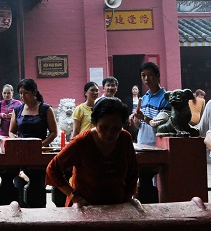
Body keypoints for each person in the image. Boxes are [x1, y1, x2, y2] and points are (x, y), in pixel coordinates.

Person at [46, 98, 138, 206]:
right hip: (84, 206)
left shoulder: (125, 138)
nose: (109, 133)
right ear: (95, 123)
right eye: (103, 127)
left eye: (116, 128)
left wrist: (127, 197)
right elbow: (52, 169)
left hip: (117, 205)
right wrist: (74, 196)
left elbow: (133, 172)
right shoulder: (82, 142)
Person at [130, 62, 171, 203]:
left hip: (157, 144)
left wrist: (144, 118)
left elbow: (163, 124)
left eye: (150, 75)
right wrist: (136, 119)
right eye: (143, 76)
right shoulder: (145, 97)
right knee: (144, 180)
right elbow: (140, 125)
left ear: (158, 76)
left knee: (156, 183)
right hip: (143, 142)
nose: (146, 79)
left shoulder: (166, 98)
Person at [8, 78, 57, 146]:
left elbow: (54, 132)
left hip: (41, 149)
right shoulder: (17, 110)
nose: (23, 96)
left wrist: (41, 145)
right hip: (22, 149)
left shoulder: (46, 109)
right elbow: (11, 132)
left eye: (26, 93)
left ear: (34, 92)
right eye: (20, 93)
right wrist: (16, 142)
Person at [0, 84, 23, 151]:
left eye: (8, 93)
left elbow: (23, 117)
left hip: (15, 134)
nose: (6, 95)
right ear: (2, 93)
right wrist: (1, 115)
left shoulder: (18, 103)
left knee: (15, 153)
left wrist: (14, 116)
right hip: (2, 134)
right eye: (4, 93)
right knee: (3, 153)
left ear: (12, 93)